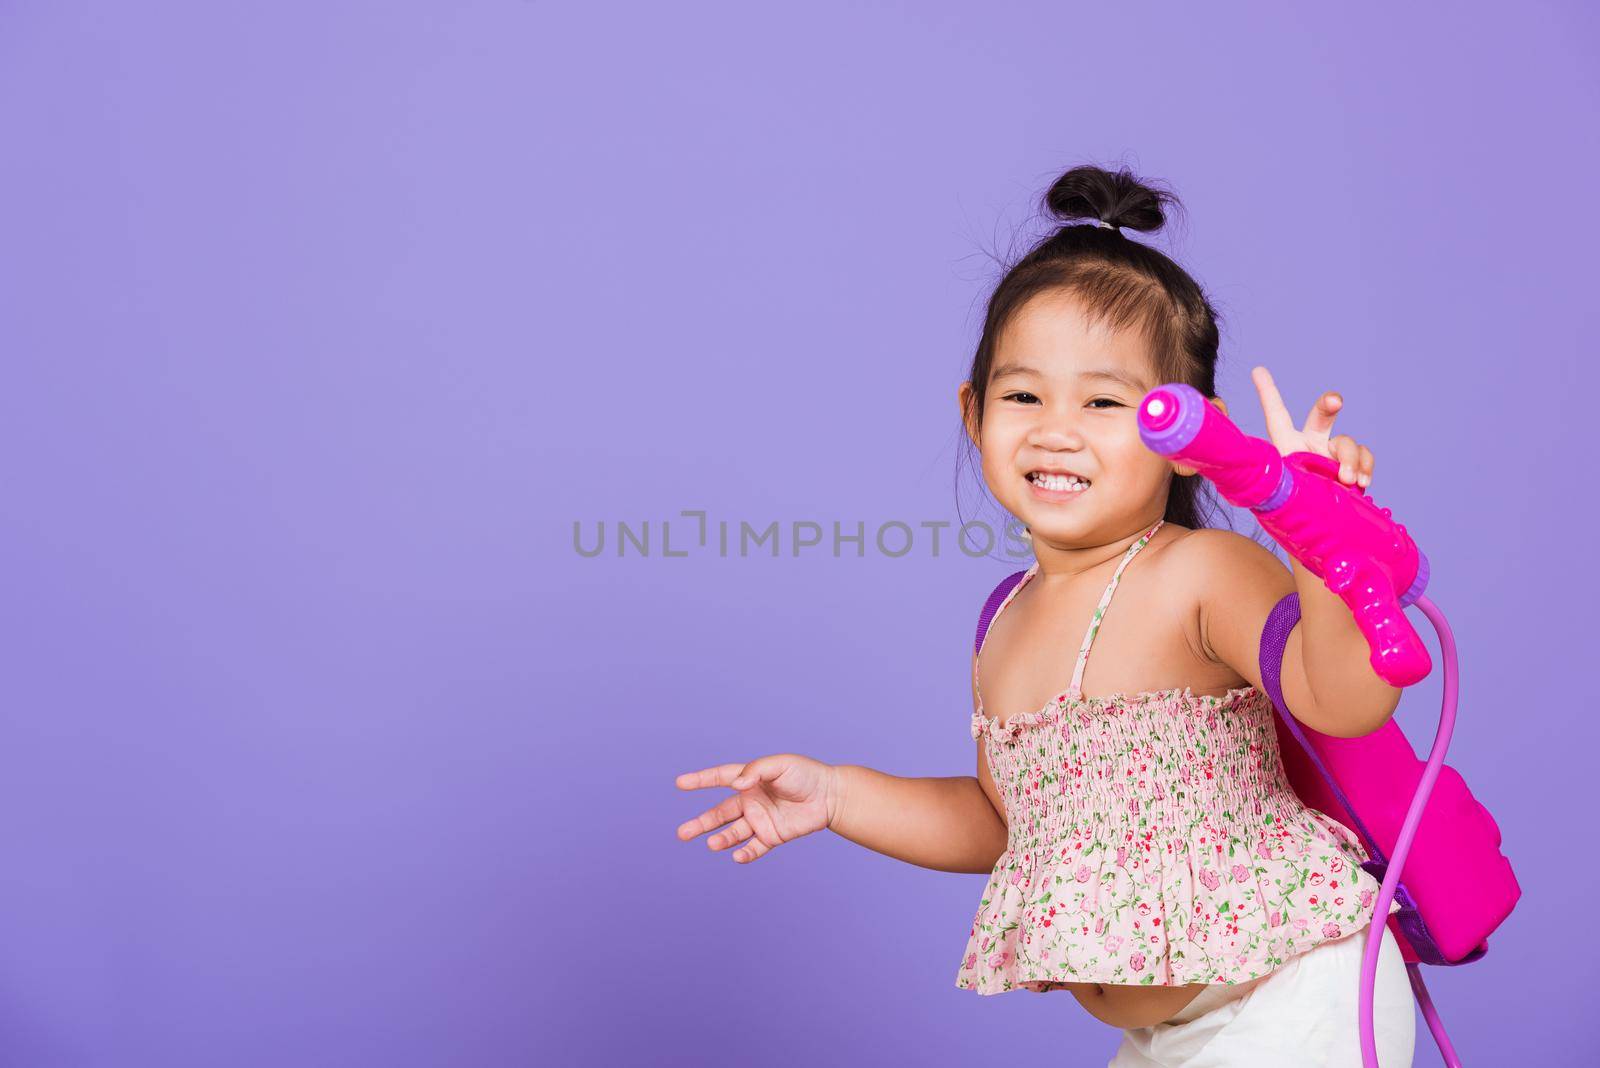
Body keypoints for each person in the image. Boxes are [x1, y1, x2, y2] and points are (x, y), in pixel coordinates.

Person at [673, 164, 1416, 1067]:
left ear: (1191, 439)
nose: (1057, 429)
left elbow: (1345, 703)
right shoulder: (1005, 620)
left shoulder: (1203, 574)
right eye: (1024, 395)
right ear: (972, 412)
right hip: (1166, 1031)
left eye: (1106, 402)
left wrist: (1314, 539)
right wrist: (838, 796)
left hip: (1294, 989)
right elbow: (1007, 822)